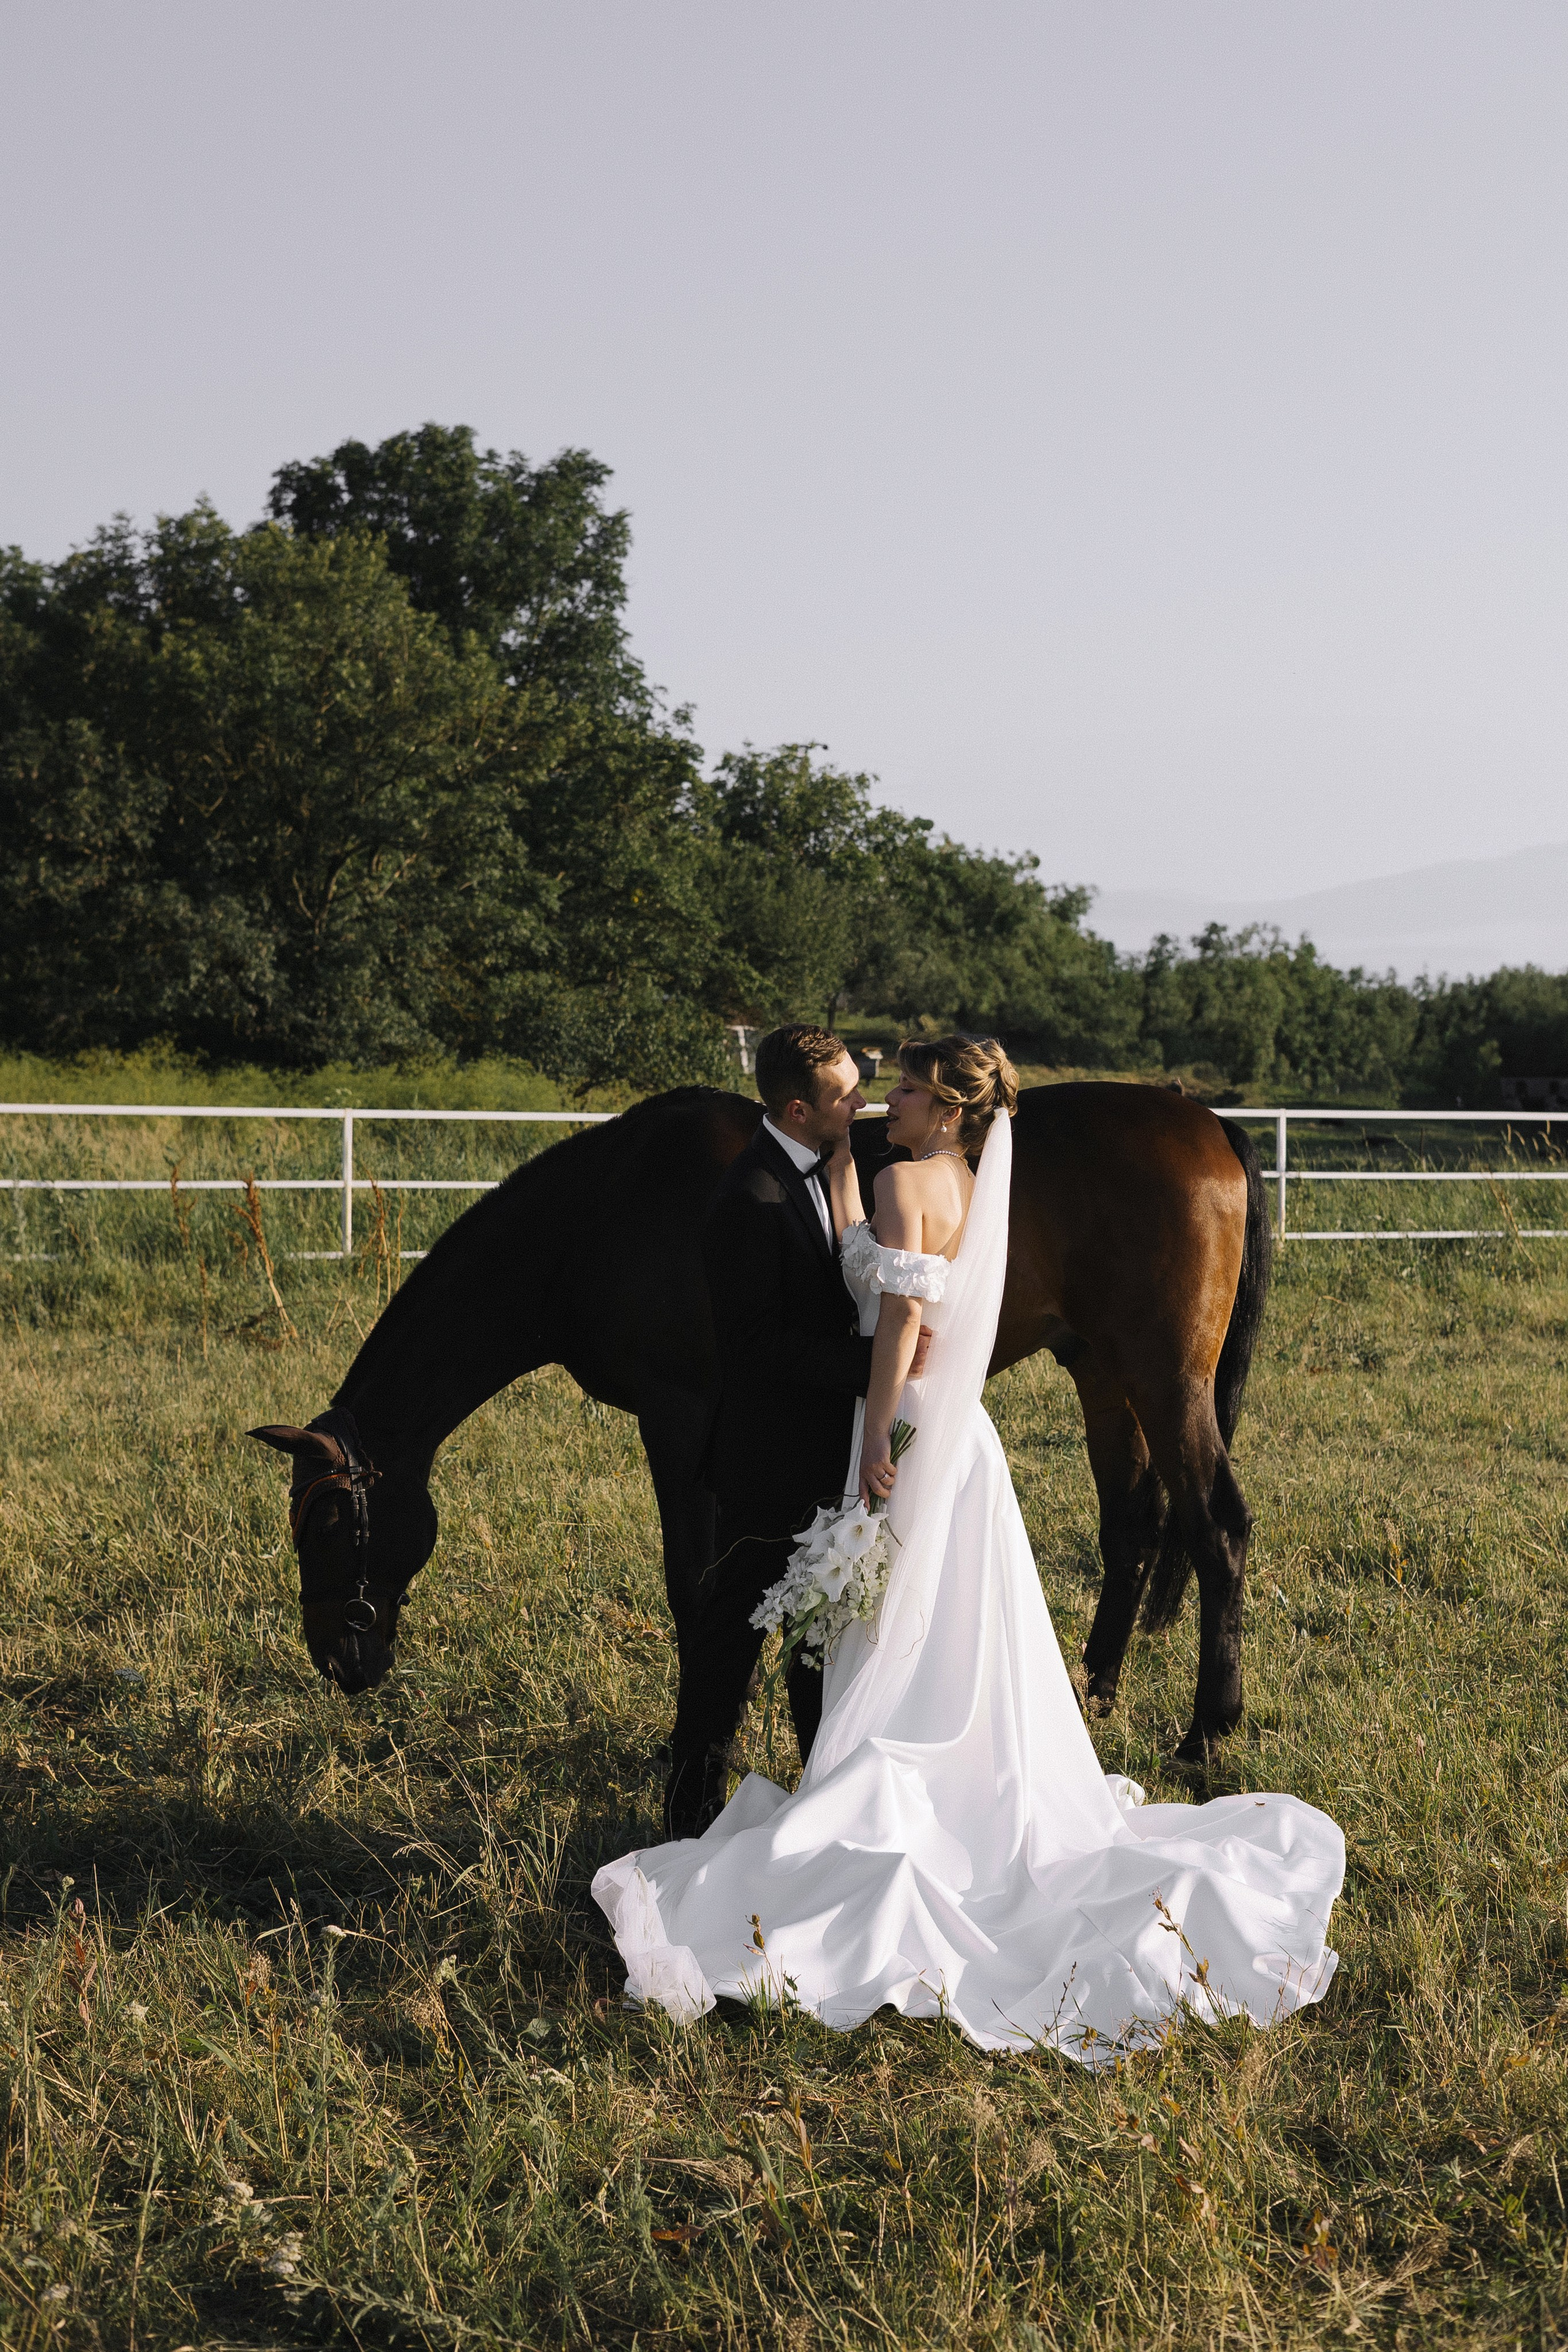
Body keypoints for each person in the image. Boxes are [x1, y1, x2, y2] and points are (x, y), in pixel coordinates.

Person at [603, 1035, 1345, 2059]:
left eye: (905, 1089)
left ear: (949, 1109)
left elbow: (899, 1319)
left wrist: (874, 1436)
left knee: (894, 1604)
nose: (886, 1103)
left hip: (907, 1423)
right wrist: (848, 1175)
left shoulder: (906, 1180)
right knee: (948, 1609)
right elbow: (877, 1254)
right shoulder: (953, 1178)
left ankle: (876, 1784)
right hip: (962, 1433)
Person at [663, 1023, 931, 1838]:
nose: (863, 1102)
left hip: (829, 1450)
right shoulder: (751, 1198)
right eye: (846, 1094)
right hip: (767, 1458)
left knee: (819, 1639)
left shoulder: (828, 1165)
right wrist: (873, 1363)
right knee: (732, 1636)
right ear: (796, 1110)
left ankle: (822, 1803)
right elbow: (757, 1348)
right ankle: (688, 1810)